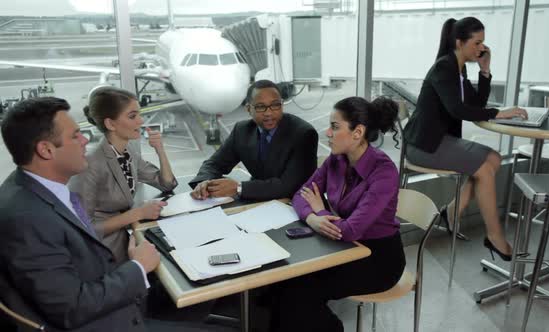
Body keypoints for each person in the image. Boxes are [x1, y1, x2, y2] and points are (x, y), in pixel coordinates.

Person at [0, 97, 159, 331]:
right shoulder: (27, 218)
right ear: (46, 150)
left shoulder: (31, 190)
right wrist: (137, 267)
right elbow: (72, 308)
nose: (85, 140)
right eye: (75, 136)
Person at [271, 96, 406, 332]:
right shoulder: (336, 160)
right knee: (283, 282)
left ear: (358, 132)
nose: (327, 132)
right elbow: (301, 195)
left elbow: (349, 230)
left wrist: (320, 210)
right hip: (342, 248)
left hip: (378, 259)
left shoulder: (384, 172)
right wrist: (314, 218)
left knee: (300, 293)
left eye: (335, 127)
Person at [403, 17, 527, 260]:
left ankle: (451, 212)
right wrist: (500, 112)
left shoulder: (458, 71)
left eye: (483, 42)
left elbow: (476, 104)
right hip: (423, 145)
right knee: (484, 167)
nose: (481, 47)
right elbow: (457, 110)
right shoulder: (444, 68)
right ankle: (495, 235)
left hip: (440, 142)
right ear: (460, 42)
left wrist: (485, 70)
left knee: (494, 159)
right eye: (477, 42)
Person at [69, 87, 177, 263]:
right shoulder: (90, 164)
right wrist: (137, 214)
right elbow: (82, 229)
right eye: (132, 116)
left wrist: (160, 150)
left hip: (127, 240)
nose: (141, 121)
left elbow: (166, 184)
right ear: (110, 124)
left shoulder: (127, 152)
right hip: (103, 253)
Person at [189, 79, 318, 201]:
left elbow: (288, 186)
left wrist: (239, 188)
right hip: (257, 203)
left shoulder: (303, 134)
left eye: (275, 105)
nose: (269, 113)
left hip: (297, 204)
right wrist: (204, 183)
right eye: (261, 107)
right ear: (248, 109)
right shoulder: (242, 130)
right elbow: (213, 164)